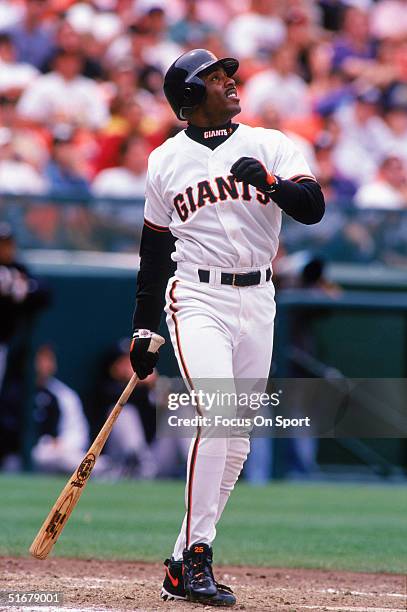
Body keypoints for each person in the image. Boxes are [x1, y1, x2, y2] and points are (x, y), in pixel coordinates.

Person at [129, 49, 325, 607]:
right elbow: (153, 251)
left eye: (228, 75)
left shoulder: (269, 144)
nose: (230, 83)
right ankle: (198, 559)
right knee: (218, 415)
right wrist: (145, 328)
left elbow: (312, 206)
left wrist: (270, 184)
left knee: (236, 439)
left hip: (259, 295)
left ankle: (178, 560)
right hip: (196, 295)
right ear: (190, 99)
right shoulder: (165, 161)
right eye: (215, 79)